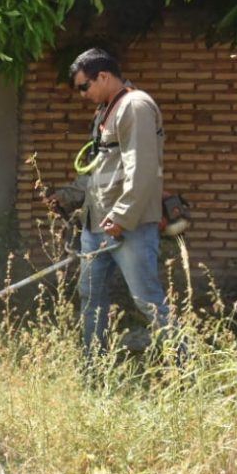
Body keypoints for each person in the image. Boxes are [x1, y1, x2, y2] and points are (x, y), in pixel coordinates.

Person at [57, 48, 169, 353]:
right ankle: (94, 365)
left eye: (84, 86)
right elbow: (99, 169)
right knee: (90, 297)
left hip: (128, 226)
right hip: (96, 224)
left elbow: (142, 168)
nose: (82, 94)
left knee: (147, 301)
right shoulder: (106, 111)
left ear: (103, 76)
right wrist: (69, 196)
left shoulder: (135, 106)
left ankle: (186, 367)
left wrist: (121, 215)